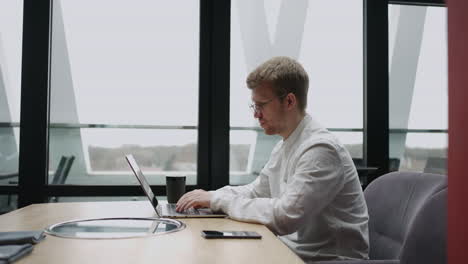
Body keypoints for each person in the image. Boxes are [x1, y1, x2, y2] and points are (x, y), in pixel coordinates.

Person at [176, 56, 369, 262]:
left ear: (289, 101)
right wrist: (209, 196)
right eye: (254, 106)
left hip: (326, 261)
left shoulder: (321, 149)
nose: (256, 115)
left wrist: (217, 200)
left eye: (261, 105)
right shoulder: (285, 145)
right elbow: (256, 191)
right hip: (291, 253)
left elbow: (285, 217)